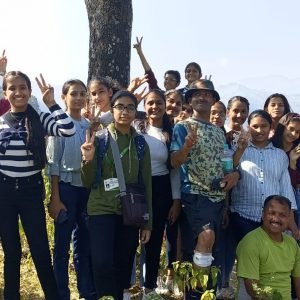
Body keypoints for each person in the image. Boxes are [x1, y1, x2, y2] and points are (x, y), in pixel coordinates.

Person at [0, 71, 75, 299]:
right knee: (11, 251)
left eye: (23, 87)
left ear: (30, 92)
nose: (18, 92)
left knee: (40, 249)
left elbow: (67, 129)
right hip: (3, 192)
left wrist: (51, 103)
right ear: (6, 93)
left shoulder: (40, 119)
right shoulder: (1, 122)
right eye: (12, 88)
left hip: (30, 191)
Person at [80, 90, 152, 300]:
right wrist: (88, 159)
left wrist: (148, 223)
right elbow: (87, 181)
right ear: (112, 110)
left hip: (129, 212)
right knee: (102, 262)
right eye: (120, 106)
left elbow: (146, 183)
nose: (125, 112)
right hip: (101, 209)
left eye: (130, 107)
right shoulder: (99, 139)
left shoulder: (139, 144)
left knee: (123, 263)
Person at [170, 79, 240, 281]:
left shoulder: (219, 132)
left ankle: (206, 291)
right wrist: (186, 148)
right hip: (195, 195)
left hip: (218, 198)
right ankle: (195, 292)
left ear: (213, 100)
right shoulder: (183, 127)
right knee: (205, 237)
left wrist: (235, 171)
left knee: (211, 250)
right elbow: (174, 162)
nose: (202, 97)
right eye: (196, 94)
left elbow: (226, 166)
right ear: (190, 101)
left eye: (207, 94)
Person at [46, 79, 96, 300]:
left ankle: (85, 290)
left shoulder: (88, 125)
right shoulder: (59, 124)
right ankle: (61, 294)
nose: (78, 98)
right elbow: (53, 164)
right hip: (65, 189)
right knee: (62, 246)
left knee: (84, 244)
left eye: (81, 94)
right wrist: (55, 198)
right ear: (64, 97)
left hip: (85, 190)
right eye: (73, 94)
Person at [134, 89, 181, 294]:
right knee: (130, 239)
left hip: (161, 188)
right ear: (144, 106)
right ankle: (126, 286)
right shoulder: (136, 128)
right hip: (135, 188)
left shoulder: (171, 133)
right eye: (150, 103)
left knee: (153, 241)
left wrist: (176, 201)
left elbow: (174, 170)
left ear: (165, 105)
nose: (155, 107)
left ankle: (149, 288)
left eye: (159, 103)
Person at [230, 110, 299, 248]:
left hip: (271, 220)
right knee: (247, 259)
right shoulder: (237, 148)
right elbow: (228, 169)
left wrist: (293, 226)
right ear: (248, 127)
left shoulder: (280, 155)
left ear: (270, 128)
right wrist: (240, 151)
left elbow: (285, 190)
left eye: (264, 126)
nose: (259, 130)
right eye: (255, 126)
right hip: (242, 216)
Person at [236, 195, 300, 299]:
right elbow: (252, 289)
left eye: (282, 215)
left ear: (289, 219)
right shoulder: (251, 242)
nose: (276, 219)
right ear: (263, 214)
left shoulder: (292, 244)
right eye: (271, 213)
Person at [272, 113, 300, 227]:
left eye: (298, 132)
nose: (293, 134)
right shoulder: (270, 146)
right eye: (291, 129)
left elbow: (294, 185)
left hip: (292, 199)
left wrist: (292, 162)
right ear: (283, 126)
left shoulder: (297, 151)